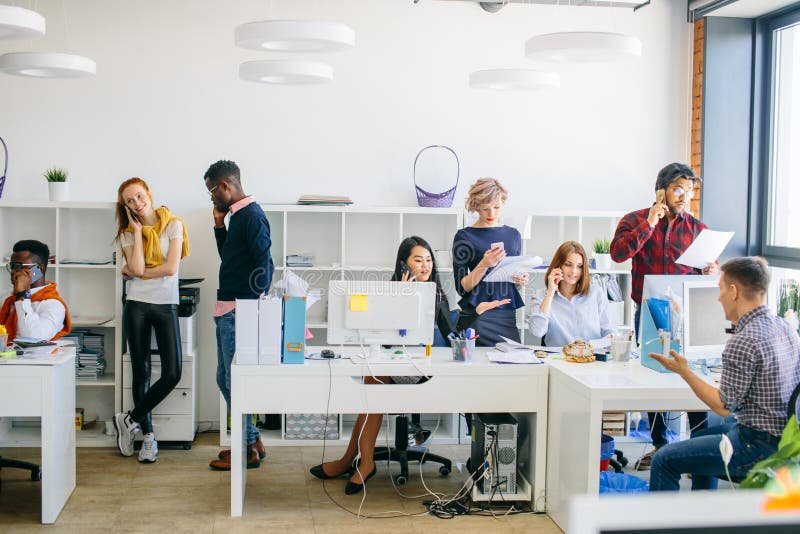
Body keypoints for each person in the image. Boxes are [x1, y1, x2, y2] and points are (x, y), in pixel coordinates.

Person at [309, 236, 507, 495]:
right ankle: (356, 461)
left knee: (374, 383)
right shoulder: (389, 290)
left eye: (428, 260)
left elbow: (453, 333)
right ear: (404, 264)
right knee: (374, 382)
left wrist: (475, 313)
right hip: (394, 366)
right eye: (418, 260)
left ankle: (358, 462)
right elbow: (379, 335)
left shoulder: (435, 292)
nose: (425, 265)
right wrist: (400, 297)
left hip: (423, 372)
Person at [649, 257, 800, 491]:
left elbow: (722, 406)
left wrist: (683, 371)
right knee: (700, 439)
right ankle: (705, 520)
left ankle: (658, 527)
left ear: (734, 291)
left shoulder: (743, 340)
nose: (718, 298)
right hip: (787, 441)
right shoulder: (786, 327)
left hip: (756, 445)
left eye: (720, 289)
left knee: (664, 459)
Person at [611, 162, 717, 469]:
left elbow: (708, 273)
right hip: (648, 313)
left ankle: (698, 445)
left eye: (691, 190)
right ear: (662, 190)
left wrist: (712, 271)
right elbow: (619, 254)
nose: (685, 196)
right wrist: (649, 223)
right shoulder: (634, 220)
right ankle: (660, 446)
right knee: (653, 377)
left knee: (692, 376)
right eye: (679, 189)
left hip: (686, 316)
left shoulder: (698, 229)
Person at [111, 178, 189, 463]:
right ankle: (148, 438)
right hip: (137, 306)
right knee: (141, 372)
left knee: (172, 373)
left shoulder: (173, 224)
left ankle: (129, 419)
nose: (136, 203)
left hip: (166, 304)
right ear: (125, 206)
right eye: (129, 201)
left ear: (149, 194)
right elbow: (141, 266)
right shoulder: (128, 233)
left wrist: (137, 271)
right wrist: (137, 231)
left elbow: (171, 268)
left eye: (139, 196)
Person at [205, 160, 273, 471]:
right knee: (226, 378)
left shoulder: (252, 216)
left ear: (225, 187)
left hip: (238, 310)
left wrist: (250, 305)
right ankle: (252, 439)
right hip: (228, 307)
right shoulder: (237, 217)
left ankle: (245, 448)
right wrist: (219, 224)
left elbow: (264, 264)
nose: (212, 199)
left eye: (212, 192)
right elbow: (229, 258)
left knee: (233, 380)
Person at [452, 178, 528, 347]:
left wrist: (520, 281)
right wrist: (484, 264)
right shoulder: (464, 236)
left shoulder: (513, 235)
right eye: (485, 209)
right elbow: (462, 287)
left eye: (496, 207)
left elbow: (511, 279)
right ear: (476, 206)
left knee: (512, 367)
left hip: (507, 315)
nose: (491, 214)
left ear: (503, 202)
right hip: (478, 316)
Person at [529, 241, 614, 347]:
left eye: (579, 266)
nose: (574, 271)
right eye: (568, 265)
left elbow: (610, 333)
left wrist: (590, 346)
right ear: (557, 266)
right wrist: (550, 293)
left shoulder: (596, 294)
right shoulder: (541, 295)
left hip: (591, 358)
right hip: (558, 359)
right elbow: (537, 331)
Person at [0, 239, 70, 342]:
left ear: (39, 269)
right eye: (12, 266)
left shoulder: (53, 305)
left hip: (34, 358)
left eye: (19, 266)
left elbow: (33, 338)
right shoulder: (7, 299)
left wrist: (22, 295)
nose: (14, 271)